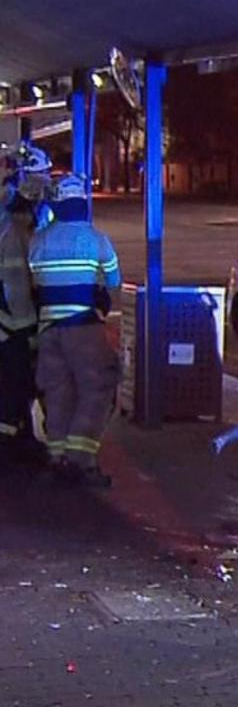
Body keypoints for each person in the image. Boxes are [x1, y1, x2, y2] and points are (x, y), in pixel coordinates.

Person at [28, 173, 121, 488]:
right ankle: (79, 461)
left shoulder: (39, 240)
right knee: (97, 390)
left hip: (48, 330)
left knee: (57, 393)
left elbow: (34, 284)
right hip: (83, 327)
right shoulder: (96, 239)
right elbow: (113, 283)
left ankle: (57, 459)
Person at [0, 145, 50, 471]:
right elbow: (20, 281)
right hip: (13, 323)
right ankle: (12, 444)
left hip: (13, 321)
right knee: (15, 383)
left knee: (17, 385)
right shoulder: (15, 225)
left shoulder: (15, 218)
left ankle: (20, 436)